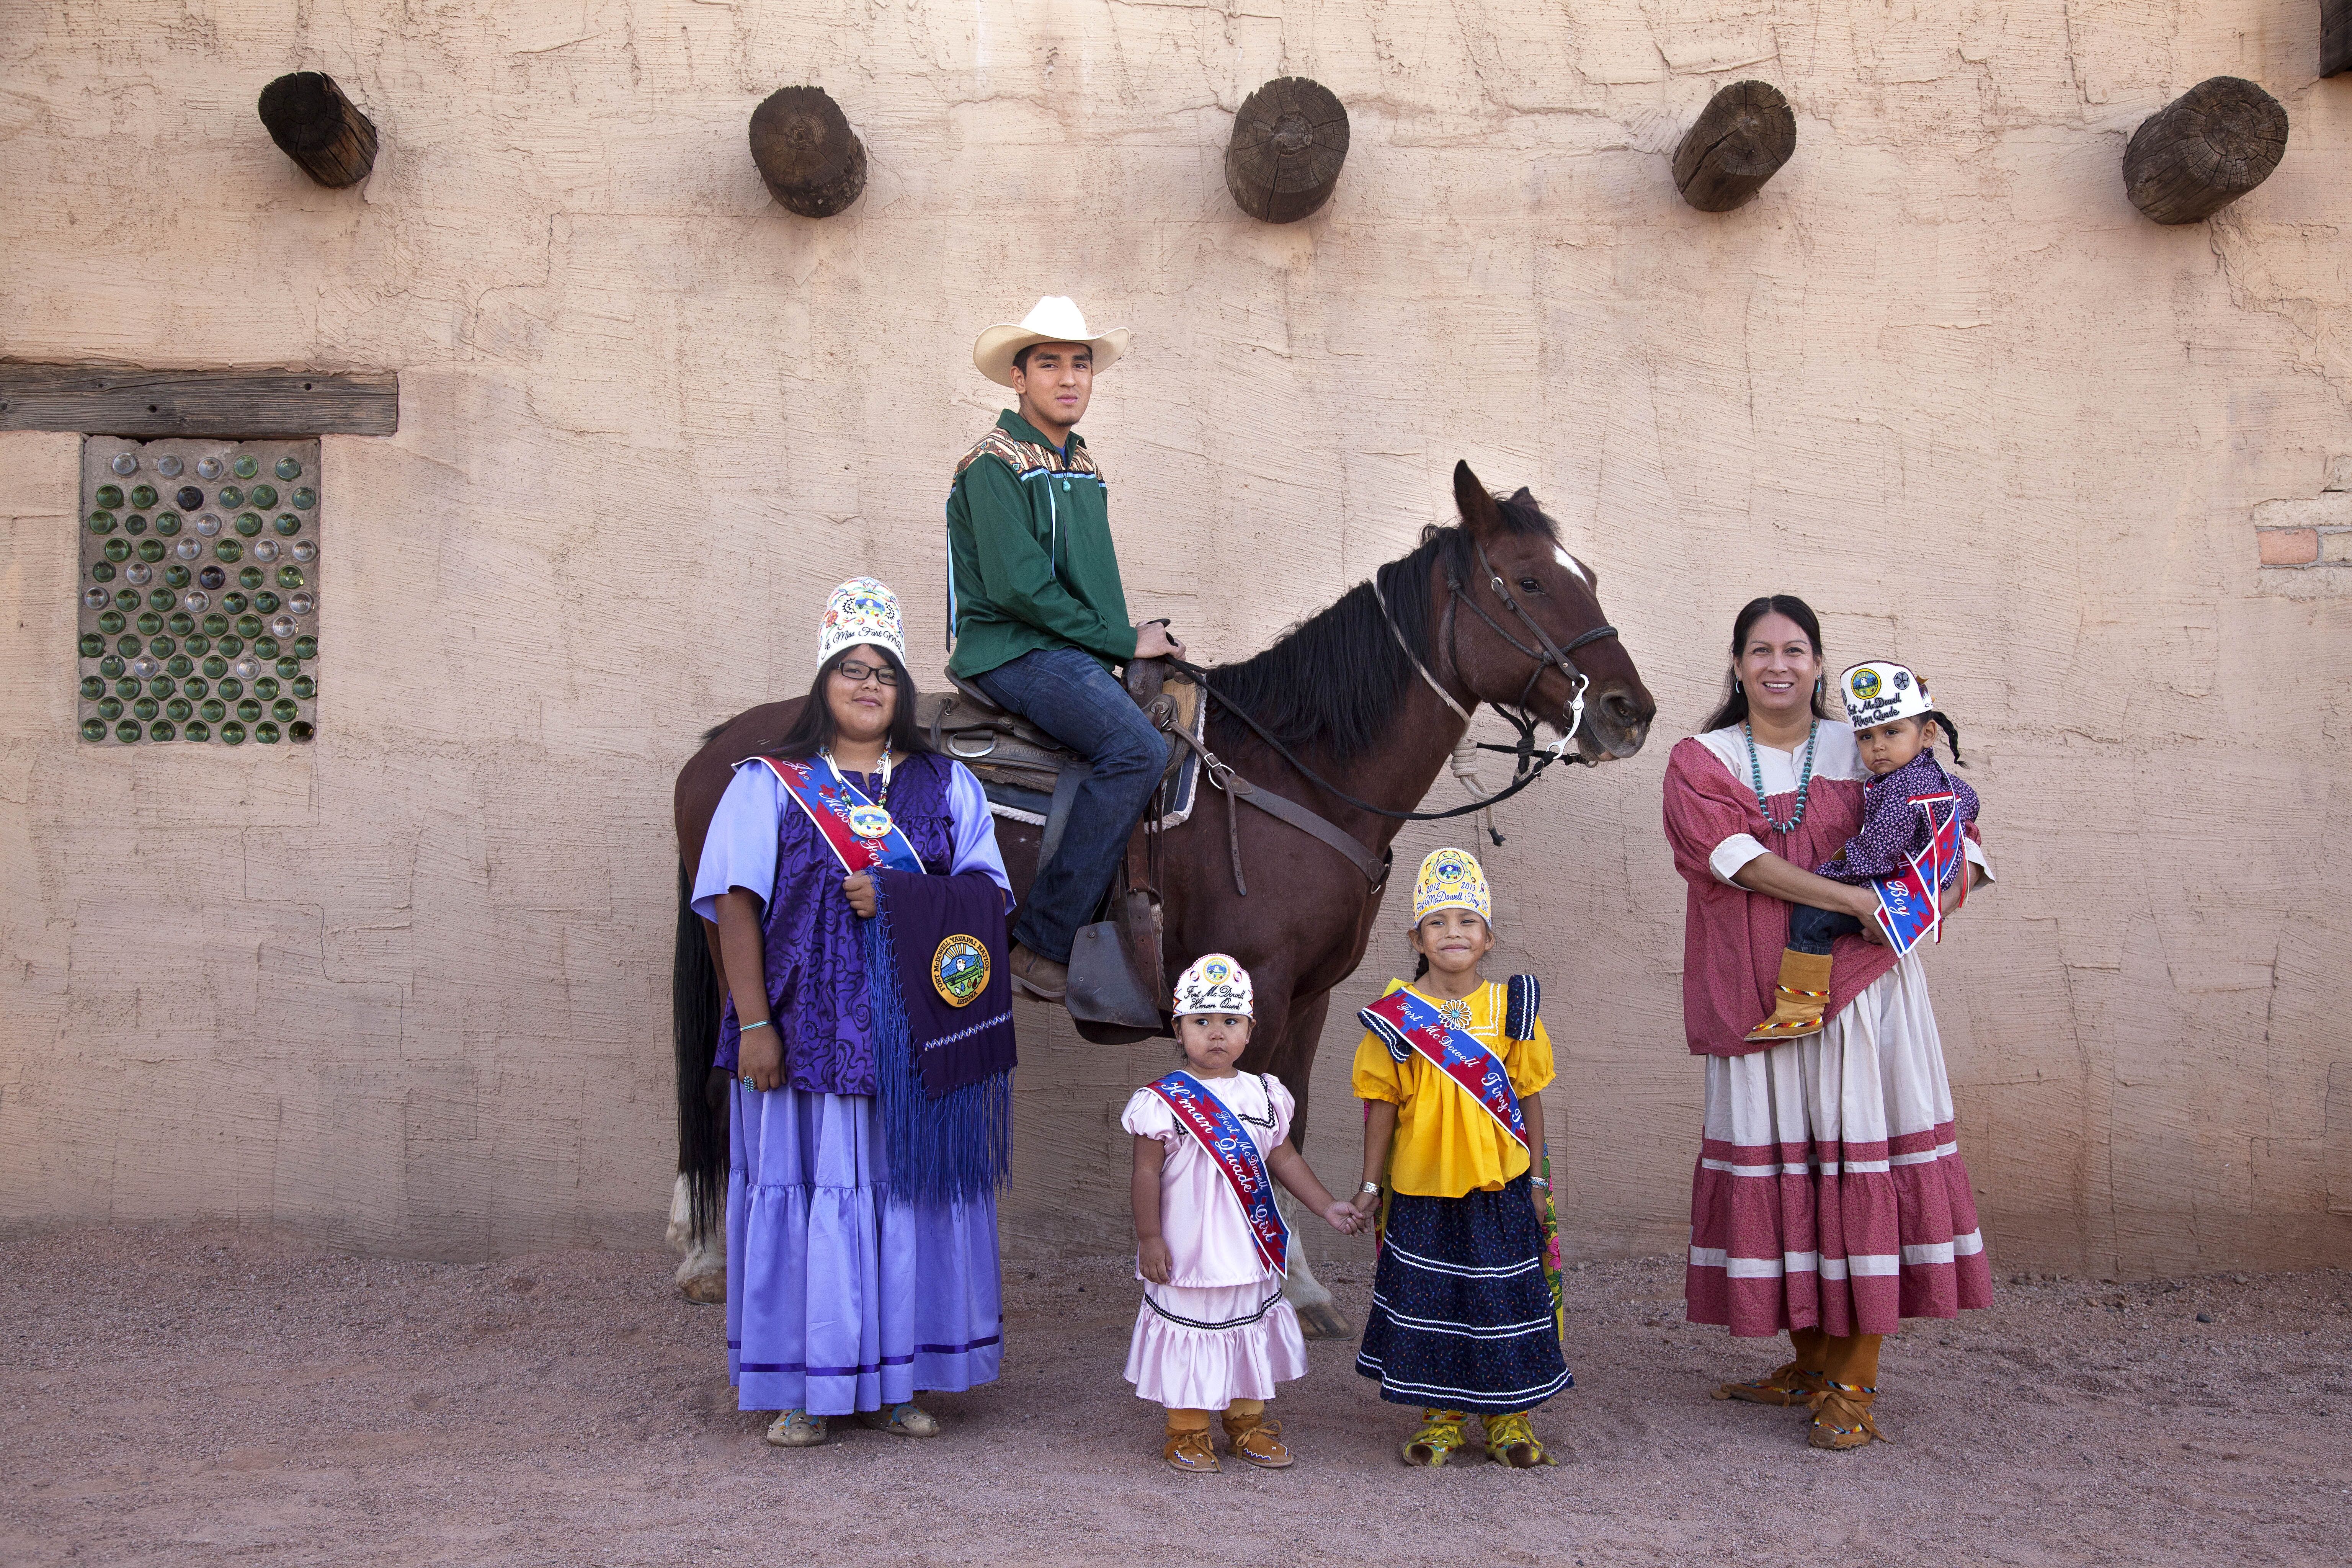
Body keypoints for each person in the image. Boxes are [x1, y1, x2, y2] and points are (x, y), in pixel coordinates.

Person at [1662, 595, 1994, 1451]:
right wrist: (1853, 895)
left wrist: (1934, 896)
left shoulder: (1879, 741)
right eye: (1761, 649)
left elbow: (1964, 845)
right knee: (1790, 1177)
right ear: (1735, 664)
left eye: (1797, 649)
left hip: (1866, 1002)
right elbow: (1729, 856)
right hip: (1758, 998)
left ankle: (1855, 1376)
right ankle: (1811, 1360)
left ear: (1818, 662)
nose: (1779, 664)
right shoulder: (1703, 758)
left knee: (1857, 1169)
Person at [693, 577, 1016, 1448]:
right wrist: (754, 1024)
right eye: (850, 668)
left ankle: (897, 1378)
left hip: (914, 1044)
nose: (868, 685)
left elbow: (988, 902)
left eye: (883, 671)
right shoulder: (769, 785)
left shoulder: (947, 786)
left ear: (903, 689)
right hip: (803, 1043)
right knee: (815, 1203)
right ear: (823, 683)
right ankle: (809, 1382)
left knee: (901, 1208)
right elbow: (732, 905)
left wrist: (903, 893)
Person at [945, 295, 1186, 1002]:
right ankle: (1044, 942)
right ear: (1017, 379)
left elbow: (1093, 584)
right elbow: (1020, 589)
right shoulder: (991, 464)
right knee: (1137, 751)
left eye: (1079, 364)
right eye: (1048, 364)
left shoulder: (1082, 465)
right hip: (1012, 649)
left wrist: (1131, 649)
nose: (1068, 378)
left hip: (1069, 649)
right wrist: (1119, 640)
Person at [1348, 849, 1570, 1469]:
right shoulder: (1395, 1017)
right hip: (1420, 1189)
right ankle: (1440, 1417)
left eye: (1466, 920)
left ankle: (1509, 1419)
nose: (1452, 932)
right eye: (1437, 921)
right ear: (1415, 937)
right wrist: (1370, 1185)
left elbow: (1527, 1099)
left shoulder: (1513, 1009)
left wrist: (1537, 1178)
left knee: (1503, 1301)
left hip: (1499, 1187)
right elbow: (1383, 1107)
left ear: (1488, 937)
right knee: (1430, 1301)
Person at [1121, 954, 1362, 1474]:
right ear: (1179, 1028)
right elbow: (1144, 1174)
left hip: (1249, 1247)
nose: (1216, 1034)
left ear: (1250, 1031)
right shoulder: (1161, 1102)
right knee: (1194, 1333)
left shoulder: (1263, 1093)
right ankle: (1186, 1433)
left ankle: (1246, 1426)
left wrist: (1326, 1207)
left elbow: (1286, 1159)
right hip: (1188, 1248)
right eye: (1201, 1021)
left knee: (1246, 1333)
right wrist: (1149, 1238)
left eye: (1230, 1022)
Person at [1745, 660, 1980, 1042]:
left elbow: (1876, 855)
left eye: (1892, 731)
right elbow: (1970, 801)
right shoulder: (1940, 779)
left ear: (1928, 733)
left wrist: (1827, 877)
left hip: (1897, 891)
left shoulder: (1901, 790)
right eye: (1866, 737)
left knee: (1812, 916)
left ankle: (1800, 1009)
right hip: (1927, 884)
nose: (1878, 746)